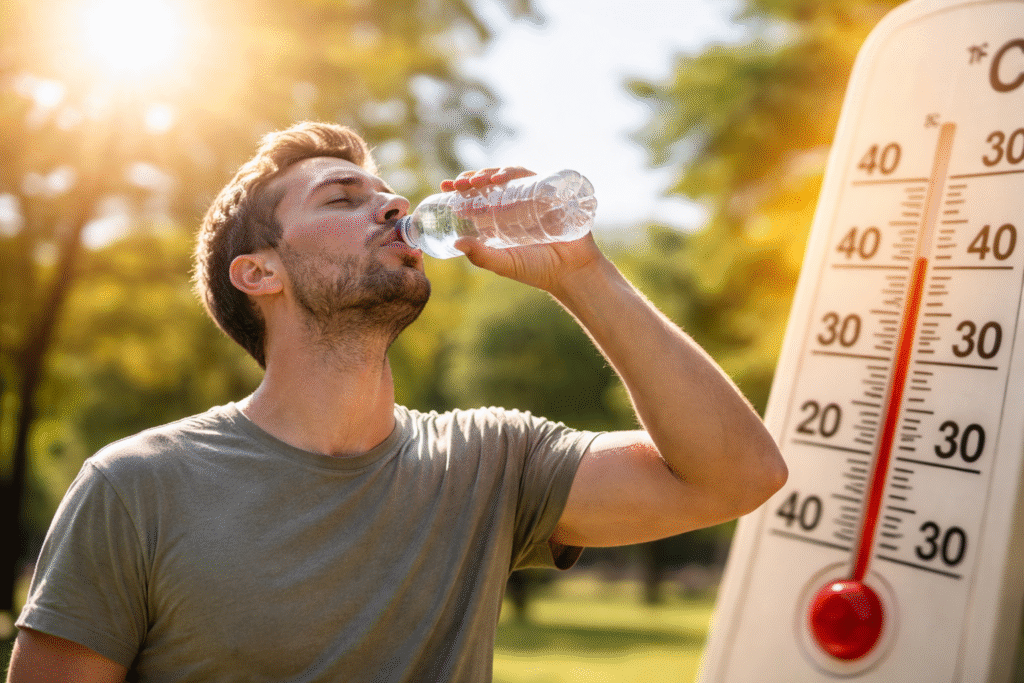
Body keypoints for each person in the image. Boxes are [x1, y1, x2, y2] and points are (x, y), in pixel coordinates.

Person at [7, 122, 786, 682]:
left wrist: (581, 273)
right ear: (260, 273)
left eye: (388, 195)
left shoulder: (491, 462)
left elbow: (737, 476)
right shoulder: (136, 485)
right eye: (343, 197)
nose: (391, 207)